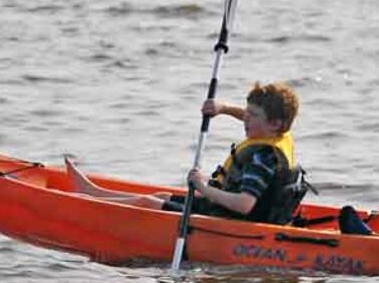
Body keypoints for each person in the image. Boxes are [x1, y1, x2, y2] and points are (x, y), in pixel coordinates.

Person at [67, 82, 304, 225]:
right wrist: (223, 109)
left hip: (230, 220)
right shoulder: (278, 134)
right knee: (162, 195)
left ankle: (86, 205)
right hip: (225, 210)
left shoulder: (261, 158)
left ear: (273, 123)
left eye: (252, 115)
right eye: (247, 112)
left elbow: (244, 204)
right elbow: (249, 116)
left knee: (147, 202)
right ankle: (93, 193)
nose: (246, 118)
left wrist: (203, 188)